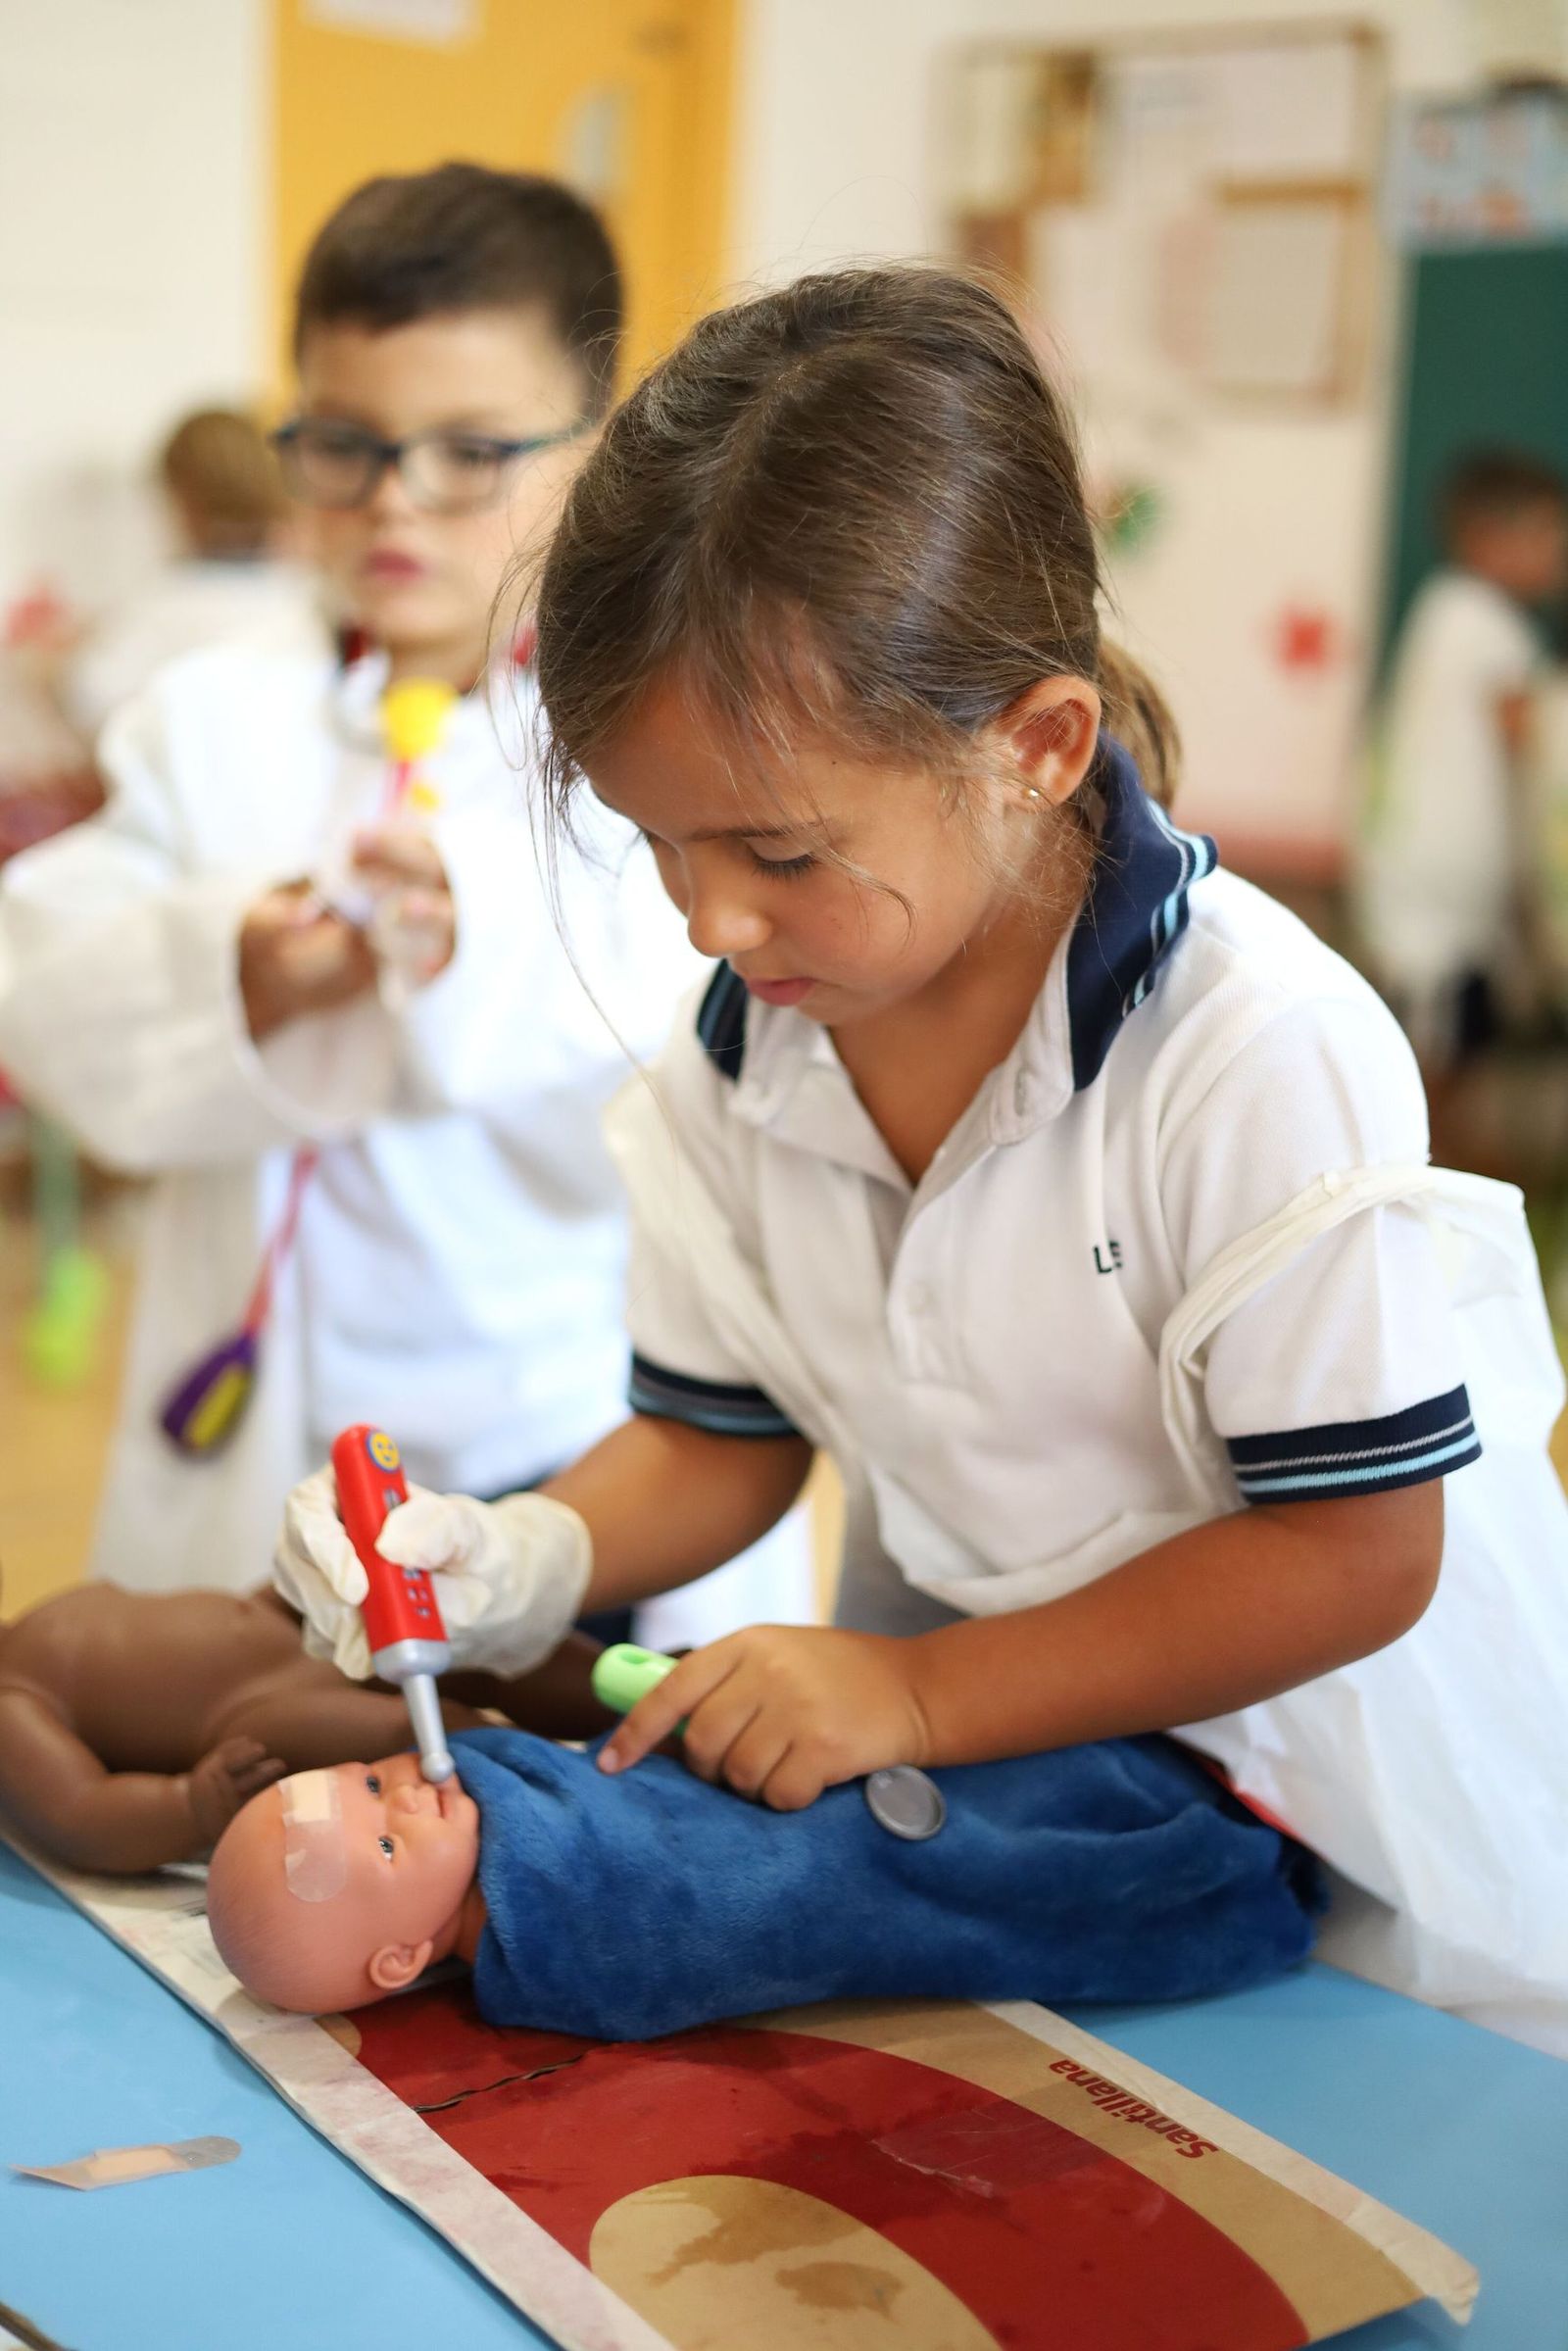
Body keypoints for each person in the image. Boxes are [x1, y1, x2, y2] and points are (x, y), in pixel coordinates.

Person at [274, 269, 1568, 2052]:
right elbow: (722, 1430)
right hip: (989, 1781)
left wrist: (917, 1688)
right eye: (658, 842)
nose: (712, 919)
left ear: (1034, 746)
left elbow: (1354, 1552)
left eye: (782, 851)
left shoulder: (1248, 1047)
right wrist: (526, 1548)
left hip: (1334, 1830)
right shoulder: (753, 1040)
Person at [0, 163, 808, 1638]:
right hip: (282, 1427)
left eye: (469, 452)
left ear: (599, 447)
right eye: (343, 445)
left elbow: (718, 1018)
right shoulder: (210, 719)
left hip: (569, 1426)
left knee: (545, 1757)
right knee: (272, 1743)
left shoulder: (681, 724)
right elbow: (44, 983)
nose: (393, 501)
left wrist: (476, 928)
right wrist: (238, 969)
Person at [206, 1737, 1317, 2035]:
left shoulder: (490, 1809)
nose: (408, 1791)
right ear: (402, 1957)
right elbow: (723, 1902)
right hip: (847, 1855)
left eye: (369, 1779)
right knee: (977, 1856)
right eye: (385, 1844)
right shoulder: (571, 1943)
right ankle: (1205, 1857)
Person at [0, 1580, 609, 1875]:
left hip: (297, 1629)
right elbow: (79, 1816)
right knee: (424, 1728)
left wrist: (283, 1593)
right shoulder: (11, 1701)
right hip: (256, 1716)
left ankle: (625, 1696)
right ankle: (590, 1797)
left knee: (486, 1647)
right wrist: (191, 1804)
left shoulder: (36, 1620)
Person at [1355, 448, 1568, 1068]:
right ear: (1486, 538)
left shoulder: (1447, 612)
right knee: (1433, 1058)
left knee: (1445, 1047)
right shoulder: (1483, 622)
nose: (1557, 552)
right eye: (1546, 533)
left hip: (1427, 890)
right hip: (1440, 900)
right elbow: (1528, 738)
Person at [64, 407, 318, 741]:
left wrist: (48, 668)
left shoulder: (167, 603)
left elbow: (89, 697)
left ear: (181, 502)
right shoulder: (306, 593)